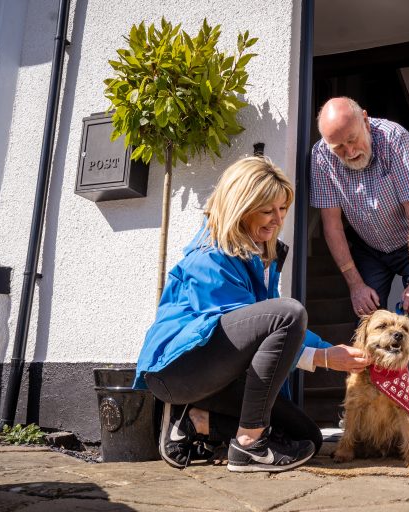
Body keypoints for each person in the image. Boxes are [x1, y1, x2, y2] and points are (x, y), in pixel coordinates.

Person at [134, 156, 369, 473]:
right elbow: (258, 327)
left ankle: (194, 421)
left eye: (283, 209)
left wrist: (331, 351)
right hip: (179, 373)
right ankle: (248, 446)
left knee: (307, 437)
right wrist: (323, 359)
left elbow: (272, 329)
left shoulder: (259, 257)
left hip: (221, 377)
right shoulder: (209, 257)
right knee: (289, 313)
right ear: (241, 207)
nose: (278, 219)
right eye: (268, 210)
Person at [310, 97, 409, 431]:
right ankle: (361, 403)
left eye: (352, 140)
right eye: (339, 147)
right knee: (368, 320)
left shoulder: (395, 139)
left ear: (366, 118)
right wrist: (355, 284)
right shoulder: (321, 156)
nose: (348, 152)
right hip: (367, 242)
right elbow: (331, 225)